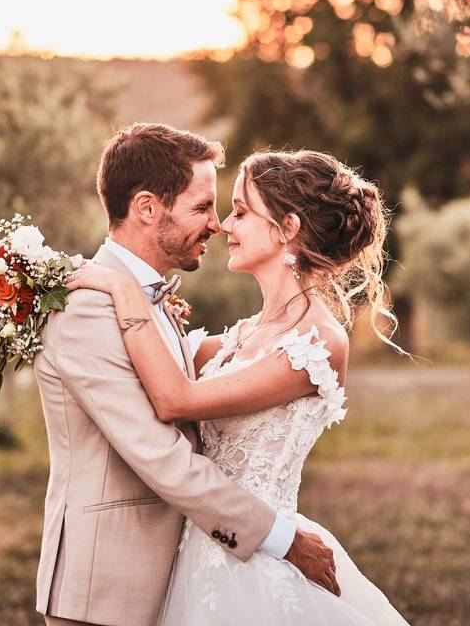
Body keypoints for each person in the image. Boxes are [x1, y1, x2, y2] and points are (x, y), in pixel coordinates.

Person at [64, 148, 411, 625]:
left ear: (287, 228)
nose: (225, 225)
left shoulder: (317, 343)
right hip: (199, 549)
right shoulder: (242, 335)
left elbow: (175, 398)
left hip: (258, 562)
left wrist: (125, 292)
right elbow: (155, 366)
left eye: (242, 212)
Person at [32, 124, 339, 626]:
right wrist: (281, 538)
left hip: (185, 577)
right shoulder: (89, 309)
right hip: (108, 588)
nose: (217, 225)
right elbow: (162, 457)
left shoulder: (142, 299)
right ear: (148, 208)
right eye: (202, 208)